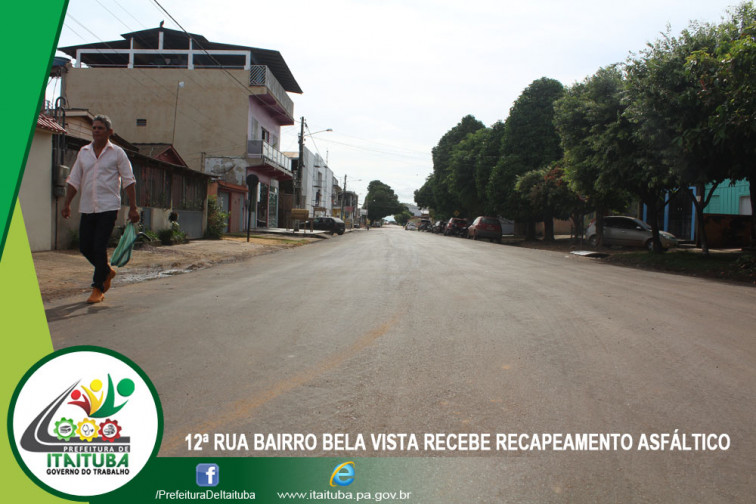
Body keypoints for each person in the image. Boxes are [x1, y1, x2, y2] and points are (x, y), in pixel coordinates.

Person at [61, 115, 139, 304]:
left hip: (108, 206)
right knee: (85, 246)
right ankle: (106, 271)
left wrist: (133, 207)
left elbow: (129, 180)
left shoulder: (118, 153)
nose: (96, 131)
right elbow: (74, 180)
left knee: (98, 246)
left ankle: (98, 288)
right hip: (88, 207)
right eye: (94, 128)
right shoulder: (84, 152)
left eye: (100, 128)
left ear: (109, 132)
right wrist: (67, 203)